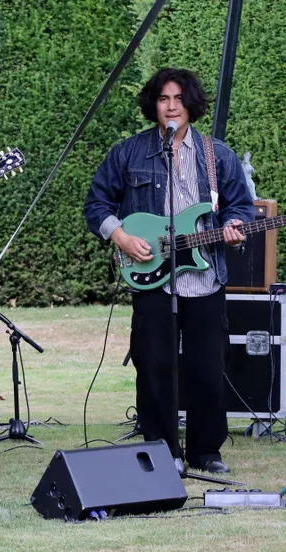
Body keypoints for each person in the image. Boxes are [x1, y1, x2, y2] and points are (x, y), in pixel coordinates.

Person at [84, 68, 253, 474]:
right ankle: (161, 451)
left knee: (208, 367)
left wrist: (234, 230)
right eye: (163, 98)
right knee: (155, 364)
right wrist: (121, 238)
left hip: (205, 276)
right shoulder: (127, 152)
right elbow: (96, 206)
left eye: (178, 98)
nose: (171, 105)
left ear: (190, 104)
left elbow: (241, 208)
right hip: (152, 278)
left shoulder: (218, 155)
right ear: (153, 105)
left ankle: (205, 452)